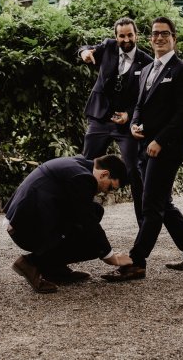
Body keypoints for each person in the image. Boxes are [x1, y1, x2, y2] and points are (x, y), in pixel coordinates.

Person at [102, 17, 183, 282]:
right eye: (155, 34)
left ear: (174, 38)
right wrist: (135, 124)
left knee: (151, 205)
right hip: (144, 147)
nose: (159, 38)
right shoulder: (148, 69)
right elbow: (139, 105)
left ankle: (136, 262)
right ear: (150, 38)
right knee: (164, 204)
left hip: (167, 149)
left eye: (165, 34)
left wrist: (160, 140)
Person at [4, 154, 132, 293]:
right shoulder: (82, 178)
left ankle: (54, 269)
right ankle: (31, 263)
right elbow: (89, 222)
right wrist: (111, 257)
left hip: (22, 220)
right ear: (104, 174)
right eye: (111, 187)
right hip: (25, 228)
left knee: (96, 211)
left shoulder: (80, 165)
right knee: (94, 243)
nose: (107, 192)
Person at [78, 17, 152, 225]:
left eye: (130, 35)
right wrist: (84, 52)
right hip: (100, 118)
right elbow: (85, 48)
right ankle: (78, 215)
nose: (126, 39)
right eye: (122, 35)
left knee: (135, 169)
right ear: (116, 36)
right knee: (85, 165)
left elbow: (146, 97)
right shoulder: (108, 48)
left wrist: (130, 114)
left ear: (136, 35)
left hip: (125, 124)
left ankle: (143, 223)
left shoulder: (145, 62)